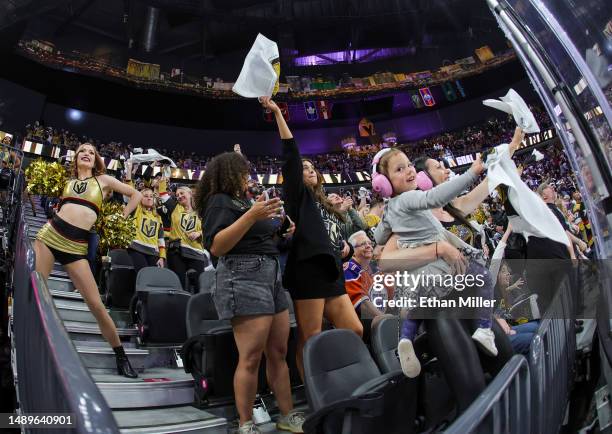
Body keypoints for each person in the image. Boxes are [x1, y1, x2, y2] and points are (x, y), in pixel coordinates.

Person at [197, 151, 303, 434]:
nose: (248, 177)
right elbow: (218, 246)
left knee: (279, 351)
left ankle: (288, 415)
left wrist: (281, 232)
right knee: (252, 356)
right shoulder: (219, 201)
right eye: (244, 172)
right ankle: (245, 423)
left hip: (270, 275)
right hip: (243, 276)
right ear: (230, 173)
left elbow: (260, 240)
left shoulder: (245, 202)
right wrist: (252, 215)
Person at [372, 147, 497, 378]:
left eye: (409, 165)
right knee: (483, 276)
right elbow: (436, 197)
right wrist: (471, 173)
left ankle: (406, 338)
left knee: (419, 306)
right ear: (385, 184)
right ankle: (484, 329)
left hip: (420, 277)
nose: (409, 170)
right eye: (399, 169)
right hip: (440, 268)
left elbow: (378, 237)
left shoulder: (389, 209)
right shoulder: (410, 199)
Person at [261, 97, 363, 380]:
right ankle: (315, 391)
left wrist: (348, 248)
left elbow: (340, 239)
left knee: (354, 329)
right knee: (311, 337)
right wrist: (277, 114)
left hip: (333, 272)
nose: (308, 171)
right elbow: (291, 154)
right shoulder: (298, 196)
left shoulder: (328, 205)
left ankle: (344, 376)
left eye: (311, 168)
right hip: (309, 271)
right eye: (304, 169)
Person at [34, 143, 142, 378]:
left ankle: (120, 356)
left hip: (77, 245)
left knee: (96, 305)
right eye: (82, 150)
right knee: (38, 294)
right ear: (75, 158)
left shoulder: (103, 181)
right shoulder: (66, 181)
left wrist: (119, 218)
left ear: (96, 160)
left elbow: (136, 195)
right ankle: (38, 346)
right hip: (50, 236)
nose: (86, 153)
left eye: (91, 152)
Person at [158, 178, 208, 291]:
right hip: (176, 251)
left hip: (196, 252)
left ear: (190, 194)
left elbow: (209, 229)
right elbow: (163, 195)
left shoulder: (201, 211)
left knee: (199, 285)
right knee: (178, 284)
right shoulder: (175, 207)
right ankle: (179, 307)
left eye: (182, 193)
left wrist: (199, 233)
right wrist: (162, 181)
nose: (179, 196)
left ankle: (197, 307)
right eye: (177, 195)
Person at [344, 231, 384, 318]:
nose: (368, 246)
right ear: (352, 251)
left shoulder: (371, 269)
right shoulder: (349, 267)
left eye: (370, 243)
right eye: (363, 244)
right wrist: (384, 318)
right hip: (356, 324)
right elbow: (362, 304)